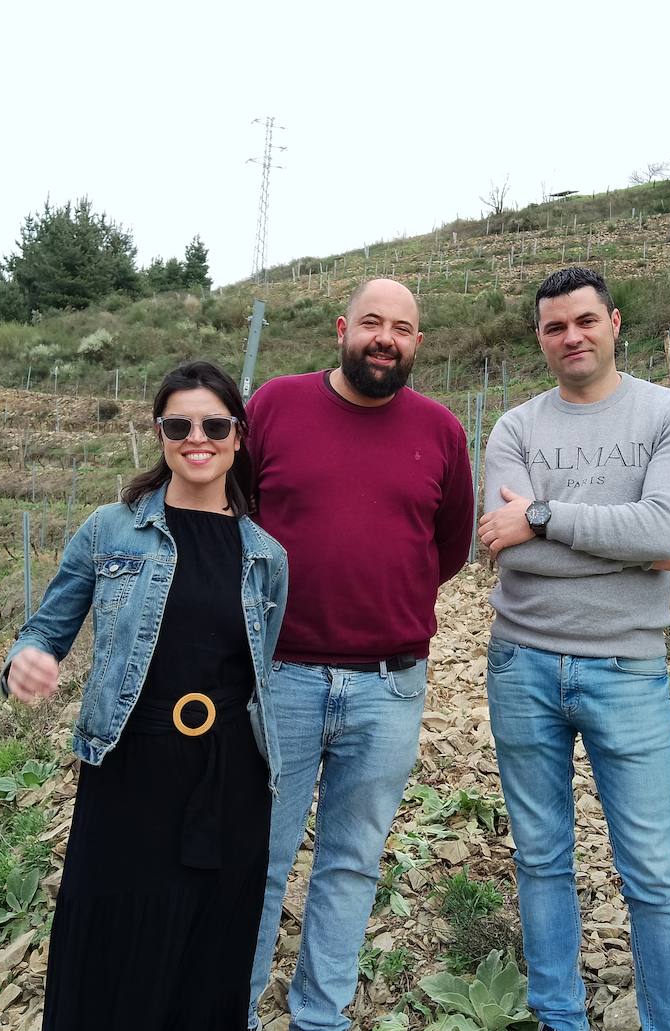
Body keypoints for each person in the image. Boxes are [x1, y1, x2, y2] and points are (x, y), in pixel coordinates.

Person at [0, 360, 288, 1030]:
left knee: (209, 953)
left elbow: (257, 674)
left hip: (228, 781)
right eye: (178, 424)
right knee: (113, 948)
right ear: (158, 432)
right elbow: (45, 628)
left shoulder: (267, 555)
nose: (197, 437)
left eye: (214, 424)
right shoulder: (110, 529)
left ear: (238, 436)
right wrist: (27, 661)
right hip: (130, 770)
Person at [477, 266, 670, 1031]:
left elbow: (665, 535)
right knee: (541, 859)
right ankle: (558, 1017)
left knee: (652, 872)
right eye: (553, 326)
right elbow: (507, 550)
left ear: (615, 322)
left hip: (627, 667)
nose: (570, 335)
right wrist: (622, 538)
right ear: (540, 338)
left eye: (584, 320)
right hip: (522, 662)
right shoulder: (514, 428)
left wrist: (540, 514)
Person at [244, 278, 475, 1031]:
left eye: (401, 328)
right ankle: (229, 1004)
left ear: (417, 343)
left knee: (350, 860)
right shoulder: (275, 404)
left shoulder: (441, 430)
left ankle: (320, 1015)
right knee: (258, 859)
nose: (385, 337)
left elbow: (445, 549)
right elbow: (233, 515)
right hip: (278, 676)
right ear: (342, 328)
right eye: (371, 322)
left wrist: (382, 598)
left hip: (389, 687)